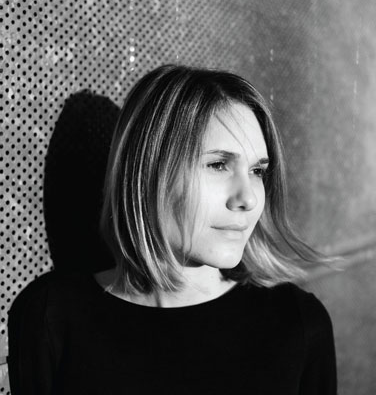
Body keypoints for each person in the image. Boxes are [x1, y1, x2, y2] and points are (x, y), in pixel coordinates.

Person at [8, 64, 338, 394]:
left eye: (257, 171)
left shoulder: (298, 325)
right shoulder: (49, 316)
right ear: (147, 172)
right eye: (218, 164)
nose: (248, 198)